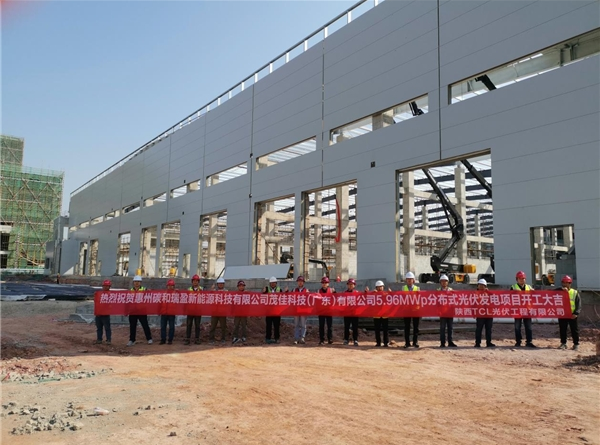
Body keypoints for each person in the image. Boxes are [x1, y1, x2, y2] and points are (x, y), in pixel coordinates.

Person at [512, 271, 536, 348]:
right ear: (517, 279)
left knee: (528, 327)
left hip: (527, 310)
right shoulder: (513, 287)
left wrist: (534, 292)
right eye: (520, 278)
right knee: (517, 327)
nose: (522, 280)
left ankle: (529, 342)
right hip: (517, 310)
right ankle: (518, 341)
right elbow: (508, 297)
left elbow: (535, 296)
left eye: (523, 278)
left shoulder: (529, 287)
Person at [127, 275, 153, 347]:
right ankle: (132, 340)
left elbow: (150, 296)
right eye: (135, 281)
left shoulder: (144, 290)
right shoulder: (130, 291)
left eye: (138, 281)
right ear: (133, 282)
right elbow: (127, 301)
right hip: (133, 311)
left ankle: (149, 338)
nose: (137, 283)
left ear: (140, 282)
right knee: (132, 326)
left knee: (145, 325)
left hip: (142, 311)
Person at [557, 275, 581, 351]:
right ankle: (563, 343)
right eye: (563, 282)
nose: (565, 284)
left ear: (570, 283)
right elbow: (549, 293)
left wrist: (576, 313)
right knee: (562, 329)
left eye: (566, 283)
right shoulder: (558, 291)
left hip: (572, 314)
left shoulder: (574, 292)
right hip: (562, 314)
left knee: (574, 330)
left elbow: (578, 304)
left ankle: (576, 344)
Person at [474, 278, 495, 348]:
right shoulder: (475, 294)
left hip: (489, 314)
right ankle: (477, 343)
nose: (481, 286)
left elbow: (494, 298)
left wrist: (488, 291)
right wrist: (473, 312)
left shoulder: (488, 293)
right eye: (480, 285)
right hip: (480, 314)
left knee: (489, 329)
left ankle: (488, 342)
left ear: (485, 286)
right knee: (479, 329)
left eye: (483, 285)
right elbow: (473, 304)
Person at [438, 275, 457, 348]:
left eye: (445, 281)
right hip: (442, 312)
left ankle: (450, 341)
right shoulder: (438, 291)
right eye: (442, 281)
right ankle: (442, 343)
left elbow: (455, 300)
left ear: (447, 282)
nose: (444, 283)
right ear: (440, 282)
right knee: (442, 328)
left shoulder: (451, 290)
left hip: (450, 312)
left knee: (450, 327)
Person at [403, 272, 420, 348]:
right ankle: (407, 343)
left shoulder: (417, 288)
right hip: (406, 310)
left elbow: (420, 298)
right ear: (406, 280)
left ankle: (415, 342)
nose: (409, 281)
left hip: (415, 310)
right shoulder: (403, 288)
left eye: (411, 279)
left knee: (416, 327)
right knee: (407, 327)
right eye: (408, 279)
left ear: (413, 280)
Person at [185, 274, 203, 345]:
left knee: (197, 325)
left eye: (196, 281)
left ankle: (197, 339)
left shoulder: (201, 290)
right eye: (194, 281)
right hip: (190, 310)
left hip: (198, 310)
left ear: (198, 282)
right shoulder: (189, 289)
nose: (195, 282)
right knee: (189, 325)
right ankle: (187, 339)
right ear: (192, 282)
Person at [209, 277, 228, 345]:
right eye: (219, 283)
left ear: (224, 284)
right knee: (213, 326)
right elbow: (209, 297)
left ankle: (223, 339)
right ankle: (211, 339)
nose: (220, 285)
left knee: (223, 326)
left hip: (222, 312)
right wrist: (211, 290)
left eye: (222, 283)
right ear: (217, 284)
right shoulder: (214, 291)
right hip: (215, 311)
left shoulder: (226, 291)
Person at [371, 280, 390, 347]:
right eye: (378, 287)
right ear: (376, 287)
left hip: (385, 315)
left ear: (383, 287)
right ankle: (378, 342)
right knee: (377, 329)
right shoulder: (373, 294)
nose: (379, 288)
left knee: (385, 329)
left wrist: (391, 293)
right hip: (376, 315)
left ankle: (386, 342)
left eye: (381, 287)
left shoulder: (386, 294)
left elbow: (391, 298)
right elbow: (366, 297)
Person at [264, 277, 282, 344]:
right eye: (271, 283)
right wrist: (263, 292)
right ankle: (268, 338)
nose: (273, 284)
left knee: (276, 325)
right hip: (269, 311)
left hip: (277, 311)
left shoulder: (279, 289)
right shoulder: (266, 289)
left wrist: (286, 292)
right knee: (268, 325)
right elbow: (262, 296)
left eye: (274, 283)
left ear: (276, 283)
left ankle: (276, 338)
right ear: (270, 283)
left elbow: (284, 297)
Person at [318, 277, 335, 345]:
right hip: (321, 311)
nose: (324, 284)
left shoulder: (331, 290)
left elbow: (336, 298)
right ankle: (321, 340)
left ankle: (330, 339)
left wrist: (334, 292)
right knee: (321, 326)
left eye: (326, 283)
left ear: (328, 284)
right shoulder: (319, 291)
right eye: (323, 283)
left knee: (329, 326)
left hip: (329, 311)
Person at [343, 278, 360, 346]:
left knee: (355, 327)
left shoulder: (357, 293)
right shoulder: (345, 293)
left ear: (354, 285)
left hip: (354, 313)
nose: (350, 286)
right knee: (346, 327)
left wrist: (366, 292)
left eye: (352, 284)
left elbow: (362, 299)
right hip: (347, 313)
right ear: (347, 285)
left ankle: (355, 339)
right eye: (349, 284)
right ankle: (346, 339)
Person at [94, 279, 112, 345]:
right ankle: (99, 339)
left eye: (107, 286)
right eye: (104, 286)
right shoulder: (99, 294)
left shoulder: (111, 294)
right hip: (99, 314)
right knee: (99, 328)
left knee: (107, 328)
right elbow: (96, 302)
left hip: (106, 314)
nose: (105, 287)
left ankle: (108, 340)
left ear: (109, 287)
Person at [293, 276, 309, 345]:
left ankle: (302, 338)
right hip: (296, 310)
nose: (300, 282)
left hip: (303, 310)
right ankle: (296, 338)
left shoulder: (306, 290)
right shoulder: (294, 290)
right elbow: (289, 297)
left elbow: (309, 299)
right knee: (296, 325)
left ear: (303, 282)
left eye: (301, 281)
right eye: (299, 281)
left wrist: (308, 294)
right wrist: (287, 291)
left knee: (303, 325)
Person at [160, 279, 177, 345]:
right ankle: (163, 339)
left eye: (172, 285)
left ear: (174, 286)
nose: (170, 287)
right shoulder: (163, 294)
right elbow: (160, 303)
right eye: (169, 285)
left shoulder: (176, 294)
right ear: (167, 286)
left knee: (171, 327)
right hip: (164, 313)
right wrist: (159, 311)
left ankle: (170, 340)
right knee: (163, 327)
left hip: (172, 313)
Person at [232, 280, 248, 344]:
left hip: (244, 313)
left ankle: (244, 337)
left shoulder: (246, 294)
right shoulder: (235, 294)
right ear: (238, 287)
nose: (241, 287)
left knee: (244, 325)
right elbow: (233, 303)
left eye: (242, 286)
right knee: (236, 325)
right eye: (240, 286)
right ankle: (235, 337)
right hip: (237, 312)